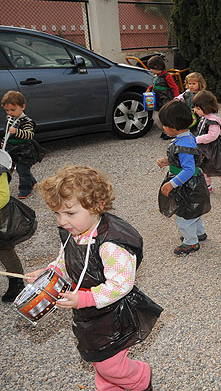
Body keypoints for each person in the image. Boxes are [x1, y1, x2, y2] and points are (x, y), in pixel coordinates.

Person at [26, 165, 162, 391]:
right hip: (90, 314)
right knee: (99, 361)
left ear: (97, 206)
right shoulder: (74, 232)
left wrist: (83, 299)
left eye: (69, 213)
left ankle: (140, 379)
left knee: (111, 366)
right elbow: (65, 260)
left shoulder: (111, 244)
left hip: (115, 315)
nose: (62, 221)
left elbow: (121, 285)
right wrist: (49, 273)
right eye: (57, 213)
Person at [157, 100, 211, 255]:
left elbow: (188, 169)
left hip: (188, 185)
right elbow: (187, 159)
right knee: (194, 211)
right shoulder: (188, 137)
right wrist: (168, 161)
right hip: (194, 182)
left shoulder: (183, 144)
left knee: (184, 216)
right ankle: (199, 233)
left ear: (172, 127)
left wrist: (171, 184)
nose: (163, 127)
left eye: (164, 124)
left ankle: (191, 242)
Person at [0, 159, 37, 302]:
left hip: (1, 220)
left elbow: (2, 197)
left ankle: (16, 282)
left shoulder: (1, 171)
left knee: (5, 250)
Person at [2, 91, 45, 198]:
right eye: (7, 110)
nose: (10, 113)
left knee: (22, 170)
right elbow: (7, 134)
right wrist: (3, 143)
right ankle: (34, 182)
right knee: (21, 169)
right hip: (13, 149)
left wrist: (17, 131)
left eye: (12, 110)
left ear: (23, 107)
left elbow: (29, 135)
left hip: (25, 151)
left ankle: (25, 190)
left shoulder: (26, 122)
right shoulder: (10, 119)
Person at [146, 55, 179, 140]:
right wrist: (150, 88)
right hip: (158, 100)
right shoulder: (157, 76)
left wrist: (177, 98)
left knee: (166, 116)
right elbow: (155, 85)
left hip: (165, 100)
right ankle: (166, 130)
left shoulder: (167, 76)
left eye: (151, 68)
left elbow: (174, 87)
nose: (150, 70)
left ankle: (172, 132)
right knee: (157, 117)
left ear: (156, 66)